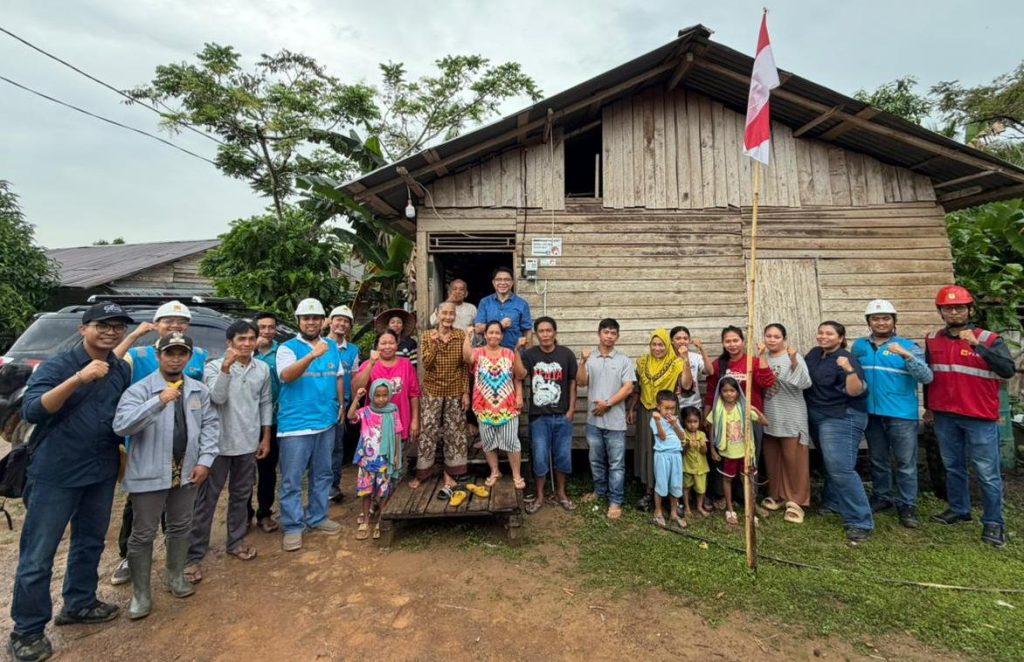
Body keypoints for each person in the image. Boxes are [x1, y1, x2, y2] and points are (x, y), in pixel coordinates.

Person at [8, 302, 133, 662]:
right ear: (83, 329)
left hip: (100, 469)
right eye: (102, 325)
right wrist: (78, 379)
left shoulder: (119, 369)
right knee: (39, 554)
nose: (110, 332)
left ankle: (79, 603)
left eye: (117, 327)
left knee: (90, 541)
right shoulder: (58, 365)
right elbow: (33, 410)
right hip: (56, 472)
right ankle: (27, 631)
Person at [112, 333, 218, 620]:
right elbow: (122, 426)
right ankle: (141, 594)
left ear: (189, 357)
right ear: (158, 356)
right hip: (150, 472)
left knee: (180, 525)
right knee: (143, 532)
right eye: (169, 353)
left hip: (186, 471)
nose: (175, 359)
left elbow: (210, 427)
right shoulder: (139, 390)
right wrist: (158, 401)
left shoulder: (198, 390)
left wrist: (205, 461)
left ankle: (175, 577)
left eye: (181, 353)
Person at [925, 285, 1015, 547]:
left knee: (987, 473)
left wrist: (978, 346)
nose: (954, 312)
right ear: (941, 312)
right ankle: (959, 509)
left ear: (970, 310)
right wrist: (929, 407)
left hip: (979, 416)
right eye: (948, 308)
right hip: (945, 415)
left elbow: (1007, 370)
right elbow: (929, 376)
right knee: (953, 466)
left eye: (959, 308)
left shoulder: (989, 339)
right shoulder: (932, 338)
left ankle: (994, 523)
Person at [185, 321, 272, 583]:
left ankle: (235, 541)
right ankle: (193, 555)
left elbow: (265, 402)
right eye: (241, 339)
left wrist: (265, 437)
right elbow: (217, 398)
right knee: (206, 500)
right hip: (217, 445)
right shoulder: (213, 367)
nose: (247, 344)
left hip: (247, 443)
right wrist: (225, 368)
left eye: (251, 339)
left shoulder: (262, 368)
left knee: (240, 496)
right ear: (229, 343)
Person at [852, 300, 933, 529]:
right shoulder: (860, 346)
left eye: (886, 318)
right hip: (871, 411)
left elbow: (926, 377)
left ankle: (907, 504)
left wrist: (907, 356)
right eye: (876, 319)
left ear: (894, 321)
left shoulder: (908, 346)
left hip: (901, 414)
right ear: (869, 322)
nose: (881, 323)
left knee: (905, 462)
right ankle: (882, 496)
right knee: (878, 459)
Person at [276, 298, 345, 552]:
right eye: (306, 318)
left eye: (315, 318)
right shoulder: (288, 348)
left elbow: (338, 376)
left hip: (325, 422)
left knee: (323, 474)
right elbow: (286, 376)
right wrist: (312, 355)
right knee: (292, 479)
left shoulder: (331, 346)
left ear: (322, 321)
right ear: (298, 321)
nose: (311, 322)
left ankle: (317, 516)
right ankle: (293, 525)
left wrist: (340, 405)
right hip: (296, 425)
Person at [805, 321, 873, 543]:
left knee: (840, 468)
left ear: (841, 338)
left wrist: (849, 370)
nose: (823, 336)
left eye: (829, 333)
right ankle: (833, 502)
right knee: (830, 463)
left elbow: (855, 391)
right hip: (818, 414)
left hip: (841, 416)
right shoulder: (815, 354)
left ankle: (860, 520)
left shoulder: (846, 359)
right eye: (821, 332)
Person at [704, 326, 776, 506]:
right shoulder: (719, 365)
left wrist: (762, 356)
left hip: (749, 418)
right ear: (723, 344)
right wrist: (707, 413)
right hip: (724, 418)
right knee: (723, 455)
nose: (732, 344)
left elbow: (768, 382)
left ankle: (749, 499)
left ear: (743, 342)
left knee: (749, 458)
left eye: (735, 340)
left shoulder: (753, 362)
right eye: (728, 341)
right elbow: (712, 391)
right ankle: (722, 495)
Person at [576, 318, 635, 520]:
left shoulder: (624, 360)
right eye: (606, 332)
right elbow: (581, 382)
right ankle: (599, 492)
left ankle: (615, 501)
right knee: (596, 461)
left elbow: (628, 388)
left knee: (616, 463)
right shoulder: (590, 358)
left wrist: (608, 403)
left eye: (613, 333)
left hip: (616, 423)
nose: (609, 336)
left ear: (617, 336)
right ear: (599, 334)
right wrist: (582, 362)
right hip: (593, 422)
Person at [521, 316, 578, 513]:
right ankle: (540, 496)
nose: (545, 334)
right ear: (536, 334)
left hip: (562, 416)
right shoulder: (530, 355)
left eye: (548, 330)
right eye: (541, 331)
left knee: (563, 457)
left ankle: (561, 493)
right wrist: (517, 351)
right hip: (539, 417)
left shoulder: (566, 354)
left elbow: (572, 382)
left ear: (555, 332)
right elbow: (519, 375)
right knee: (540, 457)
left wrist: (571, 409)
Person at [463, 321, 527, 488]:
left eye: (497, 333)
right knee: (488, 442)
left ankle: (517, 475)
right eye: (490, 332)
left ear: (502, 336)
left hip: (508, 405)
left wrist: (519, 395)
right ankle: (495, 471)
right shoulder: (477, 352)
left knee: (512, 442)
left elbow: (519, 376)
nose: (494, 335)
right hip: (483, 405)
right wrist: (467, 336)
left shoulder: (509, 353)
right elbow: (466, 357)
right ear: (485, 335)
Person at [414, 302, 470, 492]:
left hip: (455, 390)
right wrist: (436, 345)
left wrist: (465, 392)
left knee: (455, 432)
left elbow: (464, 367)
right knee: (428, 431)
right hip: (432, 390)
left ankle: (452, 473)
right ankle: (423, 473)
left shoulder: (460, 335)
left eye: (451, 313)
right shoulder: (427, 336)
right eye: (444, 313)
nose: (448, 317)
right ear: (437, 315)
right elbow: (427, 364)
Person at [760, 324, 813, 524]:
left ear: (784, 338)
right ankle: (777, 495)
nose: (772, 340)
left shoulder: (794, 356)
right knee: (773, 459)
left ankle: (796, 501)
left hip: (791, 415)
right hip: (770, 415)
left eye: (776, 336)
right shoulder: (763, 357)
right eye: (768, 336)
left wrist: (793, 360)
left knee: (794, 460)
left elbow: (805, 383)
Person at [631, 329, 689, 510]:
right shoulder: (642, 362)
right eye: (654, 344)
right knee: (648, 450)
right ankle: (650, 491)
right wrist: (632, 408)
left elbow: (686, 385)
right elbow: (638, 389)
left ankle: (673, 495)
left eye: (661, 344)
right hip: (646, 412)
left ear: (667, 345)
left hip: (668, 413)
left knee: (668, 450)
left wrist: (686, 360)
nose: (657, 348)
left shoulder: (676, 363)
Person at [352, 330, 421, 473]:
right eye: (383, 343)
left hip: (400, 422)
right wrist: (371, 364)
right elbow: (357, 387)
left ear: (397, 344)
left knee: (397, 463)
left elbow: (414, 394)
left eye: (391, 343)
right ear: (377, 345)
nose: (387, 346)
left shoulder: (406, 364)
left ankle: (392, 484)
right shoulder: (368, 364)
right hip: (374, 426)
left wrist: (415, 420)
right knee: (375, 463)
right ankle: (377, 484)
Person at [347, 381, 403, 540]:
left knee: (383, 493)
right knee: (366, 492)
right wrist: (356, 398)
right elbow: (350, 416)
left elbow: (397, 434)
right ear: (372, 395)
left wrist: (396, 456)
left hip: (384, 461)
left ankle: (380, 521)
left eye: (385, 395)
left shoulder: (392, 412)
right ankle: (365, 520)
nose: (381, 399)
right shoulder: (365, 412)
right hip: (366, 462)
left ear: (389, 395)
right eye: (377, 395)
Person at [708, 377, 766, 526]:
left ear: (738, 392)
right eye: (725, 391)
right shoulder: (717, 410)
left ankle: (751, 510)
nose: (729, 394)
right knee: (727, 479)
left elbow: (765, 422)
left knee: (747, 481)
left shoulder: (744, 409)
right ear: (720, 393)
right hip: (728, 453)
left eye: (732, 390)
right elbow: (711, 429)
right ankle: (730, 509)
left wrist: (755, 410)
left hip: (745, 453)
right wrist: (713, 449)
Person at [326, 305, 361, 502]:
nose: (342, 324)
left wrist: (355, 401)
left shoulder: (353, 350)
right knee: (321, 446)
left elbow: (354, 378)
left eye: (346, 321)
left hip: (343, 404)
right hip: (322, 403)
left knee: (337, 446)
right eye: (338, 319)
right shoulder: (320, 345)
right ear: (330, 322)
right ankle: (319, 485)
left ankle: (333, 486)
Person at [251, 311, 282, 533]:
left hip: (272, 419)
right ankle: (243, 514)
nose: (267, 331)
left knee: (268, 470)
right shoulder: (244, 350)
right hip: (245, 421)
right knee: (244, 473)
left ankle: (264, 512)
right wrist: (252, 348)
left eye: (271, 327)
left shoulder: (281, 352)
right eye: (262, 327)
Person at [650, 390, 687, 529]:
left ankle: (674, 513)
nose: (669, 411)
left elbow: (682, 437)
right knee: (661, 483)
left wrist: (675, 424)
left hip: (676, 455)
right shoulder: (655, 419)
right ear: (658, 407)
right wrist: (658, 421)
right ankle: (658, 511)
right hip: (662, 455)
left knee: (675, 484)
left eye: (672, 408)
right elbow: (662, 436)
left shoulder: (675, 419)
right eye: (666, 408)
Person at [474, 266, 533, 350]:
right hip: (490, 352)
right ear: (493, 283)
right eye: (499, 279)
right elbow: (478, 329)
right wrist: (500, 325)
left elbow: (527, 331)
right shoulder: (485, 302)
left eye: (507, 280)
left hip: (514, 351)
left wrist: (528, 353)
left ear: (512, 282)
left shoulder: (522, 304)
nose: (503, 283)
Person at [669, 326, 712, 409]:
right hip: (672, 406)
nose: (682, 341)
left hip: (693, 405)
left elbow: (710, 371)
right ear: (671, 341)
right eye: (678, 338)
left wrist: (701, 349)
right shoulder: (667, 359)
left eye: (685, 338)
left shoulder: (695, 357)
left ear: (689, 340)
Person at [680, 406, 710, 518]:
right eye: (689, 422)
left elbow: (704, 452)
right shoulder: (682, 434)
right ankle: (687, 507)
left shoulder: (702, 435)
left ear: (699, 421)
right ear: (684, 421)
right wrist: (687, 445)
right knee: (686, 487)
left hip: (701, 467)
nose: (692, 425)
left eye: (695, 422)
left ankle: (699, 506)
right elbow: (682, 452)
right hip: (687, 466)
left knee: (701, 489)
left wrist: (703, 446)